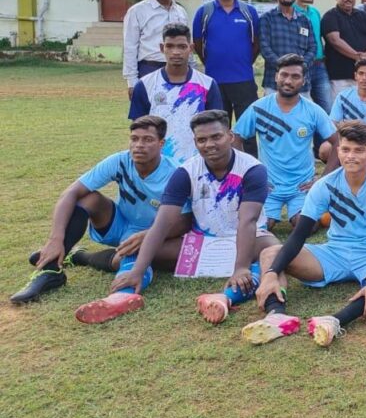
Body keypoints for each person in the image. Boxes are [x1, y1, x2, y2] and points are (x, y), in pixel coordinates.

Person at [243, 121, 366, 347]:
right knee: (270, 254)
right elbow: (299, 236)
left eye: (359, 150)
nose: (351, 156)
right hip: (333, 253)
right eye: (346, 149)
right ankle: (277, 316)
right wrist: (271, 273)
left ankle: (335, 321)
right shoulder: (324, 185)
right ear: (338, 150)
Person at [106, 110, 279, 326]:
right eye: (202, 140)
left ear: (230, 136)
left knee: (274, 252)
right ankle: (123, 295)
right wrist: (138, 270)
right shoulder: (186, 171)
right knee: (137, 250)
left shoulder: (252, 169)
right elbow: (163, 222)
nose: (209, 145)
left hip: (247, 240)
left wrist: (241, 267)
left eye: (216, 137)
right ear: (195, 142)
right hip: (201, 242)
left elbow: (248, 221)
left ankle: (224, 298)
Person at [10, 116, 178, 320]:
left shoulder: (175, 173)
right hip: (120, 224)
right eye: (134, 138)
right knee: (88, 198)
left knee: (128, 256)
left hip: (155, 232)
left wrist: (149, 235)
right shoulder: (120, 160)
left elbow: (184, 221)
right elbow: (70, 193)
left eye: (148, 139)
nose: (139, 145)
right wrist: (55, 239)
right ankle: (50, 271)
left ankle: (118, 295)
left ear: (161, 144)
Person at [233, 54, 340, 229]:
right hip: (268, 186)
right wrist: (249, 174)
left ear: (304, 81)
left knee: (304, 226)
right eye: (284, 75)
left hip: (301, 186)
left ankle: (312, 210)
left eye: (295, 76)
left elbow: (337, 143)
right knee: (260, 226)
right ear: (276, 76)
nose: (288, 81)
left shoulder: (312, 110)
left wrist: (322, 179)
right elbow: (236, 138)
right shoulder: (259, 108)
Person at [129, 23, 223, 166]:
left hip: (198, 164)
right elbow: (138, 131)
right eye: (170, 46)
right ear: (162, 48)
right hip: (158, 165)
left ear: (191, 48)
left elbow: (216, 127)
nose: (176, 52)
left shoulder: (207, 84)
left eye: (182, 46)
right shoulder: (145, 85)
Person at [192, 0, 260, 156]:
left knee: (248, 128)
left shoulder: (248, 12)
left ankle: (251, 163)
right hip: (215, 81)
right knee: (218, 128)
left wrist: (245, 62)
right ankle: (221, 161)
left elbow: (257, 42)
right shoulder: (204, 12)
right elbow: (197, 42)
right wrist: (210, 62)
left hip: (244, 79)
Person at [123, 0, 188, 97]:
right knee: (150, 109)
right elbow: (130, 47)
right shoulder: (137, 11)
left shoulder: (181, 12)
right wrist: (132, 82)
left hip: (179, 69)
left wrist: (191, 70)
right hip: (150, 69)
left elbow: (186, 43)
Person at [259, 0, 316, 95]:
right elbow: (265, 48)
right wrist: (283, 66)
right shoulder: (267, 19)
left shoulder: (304, 20)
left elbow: (312, 47)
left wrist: (301, 66)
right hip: (274, 82)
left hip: (301, 83)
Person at [321, 0, 366, 101]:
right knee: (342, 108)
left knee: (365, 107)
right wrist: (357, 57)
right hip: (340, 76)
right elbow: (335, 40)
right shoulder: (330, 16)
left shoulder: (363, 15)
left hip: (364, 75)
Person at [294, 0, 332, 112]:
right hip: (300, 66)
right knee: (302, 108)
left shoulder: (315, 12)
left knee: (327, 107)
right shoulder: (290, 12)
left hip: (319, 66)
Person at [329, 56, 366, 124]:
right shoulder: (342, 97)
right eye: (361, 73)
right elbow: (333, 124)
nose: (364, 78)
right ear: (355, 76)